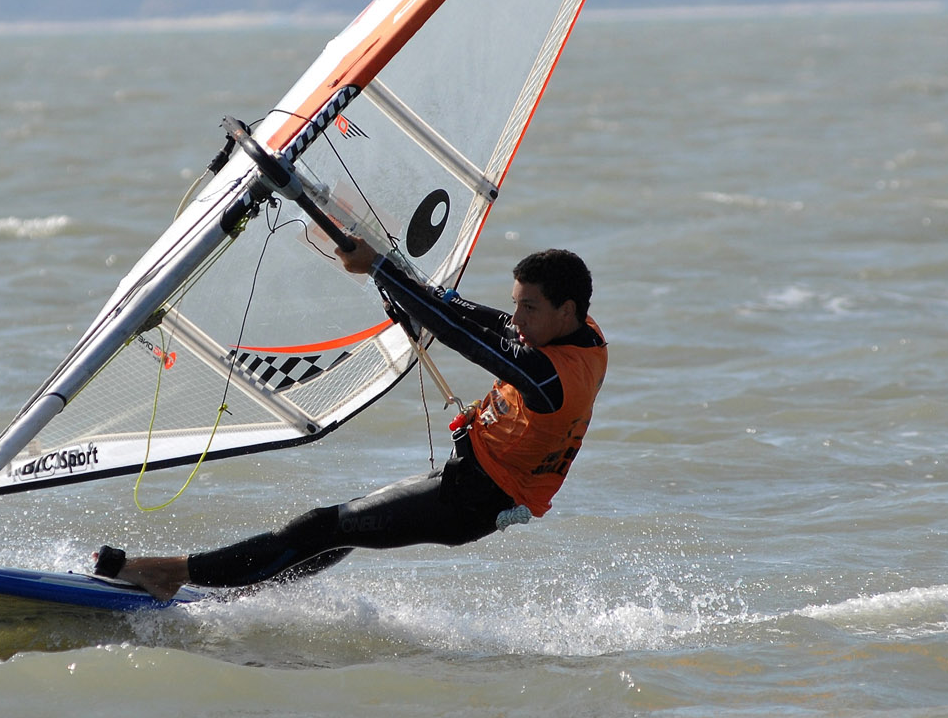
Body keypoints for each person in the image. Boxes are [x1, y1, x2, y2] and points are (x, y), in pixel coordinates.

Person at [93, 244, 607, 601]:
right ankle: (241, 592)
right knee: (339, 533)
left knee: (323, 526)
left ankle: (170, 574)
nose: (517, 321)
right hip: (474, 486)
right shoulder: (580, 335)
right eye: (517, 305)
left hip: (471, 502)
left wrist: (382, 269)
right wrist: (400, 283)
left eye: (529, 310)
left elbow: (463, 336)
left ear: (567, 309)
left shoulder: (552, 378)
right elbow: (482, 319)